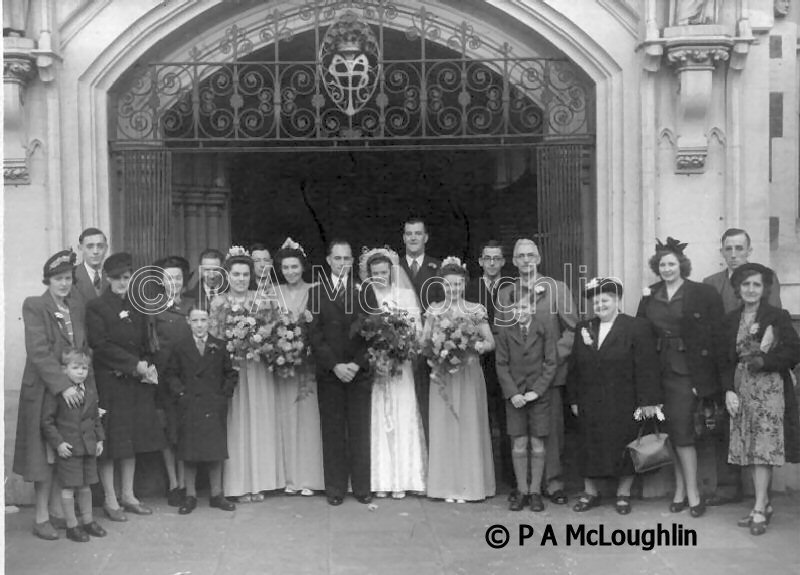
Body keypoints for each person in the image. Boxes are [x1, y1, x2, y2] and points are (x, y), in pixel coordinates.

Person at [636, 237, 724, 518]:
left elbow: (714, 336)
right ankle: (680, 491)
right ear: (656, 266)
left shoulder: (701, 293)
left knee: (684, 432)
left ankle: (693, 493)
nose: (667, 268)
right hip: (657, 369)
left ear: (681, 265)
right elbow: (641, 335)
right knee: (672, 432)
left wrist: (705, 379)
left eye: (672, 263)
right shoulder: (649, 294)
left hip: (687, 371)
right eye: (662, 264)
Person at [568, 278, 662, 515]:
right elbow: (575, 366)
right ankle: (590, 492)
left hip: (624, 399)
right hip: (590, 399)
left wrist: (647, 401)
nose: (600, 305)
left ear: (617, 300)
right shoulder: (584, 327)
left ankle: (623, 494)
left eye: (605, 300)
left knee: (624, 444)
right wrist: (574, 399)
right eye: (596, 301)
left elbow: (647, 366)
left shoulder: (636, 327)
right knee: (589, 445)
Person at [702, 228, 782, 506]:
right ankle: (727, 487)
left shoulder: (765, 279)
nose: (734, 254)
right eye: (729, 248)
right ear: (722, 251)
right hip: (723, 361)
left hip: (758, 364)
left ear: (749, 250)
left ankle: (759, 495)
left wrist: (761, 355)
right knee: (724, 424)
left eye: (739, 248)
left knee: (760, 430)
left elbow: (775, 323)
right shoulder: (711, 283)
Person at [496, 238, 578, 506]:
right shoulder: (507, 292)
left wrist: (553, 357)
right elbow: (502, 333)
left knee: (548, 431)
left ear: (539, 258)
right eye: (521, 256)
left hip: (549, 374)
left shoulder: (558, 288)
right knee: (520, 433)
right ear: (514, 261)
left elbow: (572, 329)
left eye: (531, 255)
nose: (526, 260)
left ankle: (552, 483)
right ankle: (524, 487)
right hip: (518, 375)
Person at [86, 252, 166, 522]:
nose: (123, 281)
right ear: (108, 278)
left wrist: (147, 366)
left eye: (127, 276)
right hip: (111, 383)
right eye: (118, 277)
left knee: (130, 441)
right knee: (111, 444)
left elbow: (146, 342)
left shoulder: (138, 306)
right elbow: (101, 346)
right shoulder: (97, 307)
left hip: (135, 383)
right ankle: (110, 500)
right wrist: (135, 365)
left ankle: (128, 496)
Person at [722, 263, 800, 535]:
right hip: (742, 390)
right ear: (737, 288)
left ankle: (758, 508)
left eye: (756, 285)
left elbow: (793, 351)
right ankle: (763, 504)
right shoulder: (730, 319)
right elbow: (724, 361)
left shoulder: (777, 316)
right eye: (746, 284)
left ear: (764, 289)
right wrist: (727, 391)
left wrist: (764, 360)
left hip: (770, 391)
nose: (751, 290)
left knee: (763, 451)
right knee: (751, 449)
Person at [13, 249, 86, 540]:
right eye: (58, 279)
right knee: (44, 457)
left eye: (68, 278)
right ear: (48, 280)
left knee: (63, 451)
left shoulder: (75, 308)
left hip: (69, 393)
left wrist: (83, 388)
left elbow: (82, 350)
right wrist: (64, 385)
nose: (64, 284)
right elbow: (39, 352)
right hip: (47, 391)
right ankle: (41, 516)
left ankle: (56, 512)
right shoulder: (34, 306)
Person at [209, 247, 284, 501]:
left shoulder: (262, 299)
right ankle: (239, 486)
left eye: (244, 274)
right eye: (236, 274)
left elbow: (275, 332)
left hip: (259, 368)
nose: (240, 279)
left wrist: (260, 342)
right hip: (235, 370)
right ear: (227, 276)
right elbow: (214, 338)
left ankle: (260, 483)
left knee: (260, 422)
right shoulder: (219, 302)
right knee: (237, 425)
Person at [422, 257, 496, 502]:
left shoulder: (474, 310)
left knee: (468, 426)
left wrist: (472, 346)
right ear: (441, 285)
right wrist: (438, 349)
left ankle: (469, 485)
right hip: (443, 376)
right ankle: (445, 486)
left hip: (468, 373)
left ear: (464, 285)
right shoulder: (434, 310)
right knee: (444, 427)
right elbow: (424, 342)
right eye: (449, 285)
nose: (453, 289)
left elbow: (490, 342)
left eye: (458, 284)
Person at [309, 239, 373, 506]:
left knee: (359, 431)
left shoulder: (364, 290)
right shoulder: (317, 292)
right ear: (328, 261)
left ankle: (361, 488)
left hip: (358, 371)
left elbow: (374, 330)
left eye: (347, 259)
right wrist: (335, 365)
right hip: (330, 373)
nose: (343, 264)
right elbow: (314, 335)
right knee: (333, 431)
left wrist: (357, 363)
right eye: (338, 259)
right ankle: (335, 488)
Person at [361, 248, 427, 499]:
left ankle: (405, 478)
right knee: (379, 417)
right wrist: (375, 354)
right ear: (369, 274)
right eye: (375, 273)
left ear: (392, 273)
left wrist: (401, 349)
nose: (380, 276)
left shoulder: (405, 295)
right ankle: (382, 479)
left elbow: (417, 329)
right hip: (376, 367)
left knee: (402, 413)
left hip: (401, 366)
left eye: (384, 272)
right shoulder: (364, 296)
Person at [166, 306, 238, 515]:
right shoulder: (180, 347)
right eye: (195, 320)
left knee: (214, 451)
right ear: (188, 321)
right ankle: (190, 495)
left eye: (203, 320)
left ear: (210, 322)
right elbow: (171, 374)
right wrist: (181, 395)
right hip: (190, 405)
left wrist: (222, 395)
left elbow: (230, 374)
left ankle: (217, 494)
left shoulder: (219, 346)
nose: (199, 325)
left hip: (212, 405)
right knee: (190, 452)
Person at [494, 298, 557, 512]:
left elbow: (550, 362)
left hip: (538, 396)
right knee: (519, 443)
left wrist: (537, 391)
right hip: (516, 398)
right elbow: (501, 365)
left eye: (524, 307)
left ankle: (535, 491)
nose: (520, 311)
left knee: (538, 443)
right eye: (515, 308)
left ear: (531, 307)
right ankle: (522, 490)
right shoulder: (505, 332)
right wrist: (513, 393)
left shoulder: (544, 328)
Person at [272, 238, 324, 496]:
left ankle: (310, 478)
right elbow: (266, 326)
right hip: (284, 367)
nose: (290, 272)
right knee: (286, 420)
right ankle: (289, 478)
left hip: (308, 365)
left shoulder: (315, 289)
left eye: (294, 267)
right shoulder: (273, 292)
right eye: (285, 268)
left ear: (302, 267)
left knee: (308, 420)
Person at [41, 348, 107, 542]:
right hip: (69, 449)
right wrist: (59, 443)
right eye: (75, 367)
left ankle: (88, 521)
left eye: (84, 368)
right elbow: (47, 422)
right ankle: (72, 525)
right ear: (64, 369)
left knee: (86, 486)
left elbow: (95, 418)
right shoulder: (58, 394)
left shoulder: (91, 391)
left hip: (88, 447)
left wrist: (100, 439)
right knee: (69, 488)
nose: (80, 372)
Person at [148, 256, 195, 507]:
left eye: (177, 277)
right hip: (163, 379)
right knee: (167, 432)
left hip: (188, 378)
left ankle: (187, 483)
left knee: (185, 431)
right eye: (168, 278)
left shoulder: (193, 306)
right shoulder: (153, 309)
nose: (173, 282)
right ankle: (173, 482)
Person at [467, 240, 513, 487]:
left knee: (507, 417)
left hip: (506, 359)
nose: (492, 262)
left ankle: (509, 476)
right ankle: (483, 474)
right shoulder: (470, 287)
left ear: (504, 262)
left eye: (497, 258)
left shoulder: (513, 287)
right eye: (488, 258)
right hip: (478, 359)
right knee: (480, 415)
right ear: (481, 261)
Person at [398, 217, 442, 444]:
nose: (413, 237)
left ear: (426, 237)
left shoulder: (438, 267)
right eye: (409, 233)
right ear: (404, 237)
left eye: (418, 233)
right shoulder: (393, 268)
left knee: (428, 403)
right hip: (398, 349)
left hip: (429, 349)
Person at [72, 228, 109, 303]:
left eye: (100, 246)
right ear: (80, 248)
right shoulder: (71, 276)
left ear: (106, 248)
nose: (95, 251)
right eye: (90, 247)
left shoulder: (113, 275)